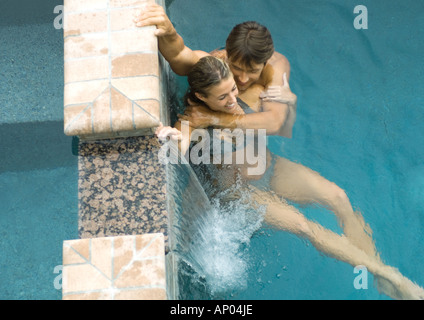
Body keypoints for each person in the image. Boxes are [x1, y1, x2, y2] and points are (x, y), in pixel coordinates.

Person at [156, 56, 424, 300]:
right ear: (201, 96)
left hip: (271, 169)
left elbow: (283, 127)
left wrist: (290, 101)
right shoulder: (194, 118)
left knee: (338, 197)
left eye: (232, 90)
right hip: (238, 191)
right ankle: (392, 277)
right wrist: (175, 139)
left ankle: (378, 275)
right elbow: (181, 141)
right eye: (222, 96)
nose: (232, 99)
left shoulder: (239, 88)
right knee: (304, 227)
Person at [134, 3, 297, 137]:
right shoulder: (217, 61)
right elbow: (180, 55)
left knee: (269, 98)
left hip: (244, 139)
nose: (243, 79)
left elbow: (275, 123)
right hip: (214, 137)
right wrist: (169, 32)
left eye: (253, 71)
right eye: (237, 68)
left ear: (264, 63)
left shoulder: (275, 67)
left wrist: (212, 118)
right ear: (228, 56)